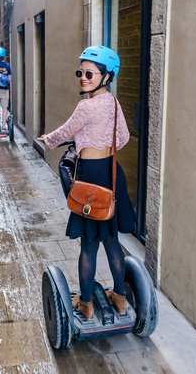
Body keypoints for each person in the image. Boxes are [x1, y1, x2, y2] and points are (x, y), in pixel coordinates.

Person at [38, 45, 136, 321]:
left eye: (90, 73)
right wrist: (102, 143)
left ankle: (87, 304)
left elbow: (65, 132)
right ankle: (119, 298)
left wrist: (50, 139)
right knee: (112, 240)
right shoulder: (113, 104)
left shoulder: (86, 105)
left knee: (89, 245)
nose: (83, 77)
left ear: (106, 76)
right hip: (112, 173)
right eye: (80, 72)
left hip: (91, 177)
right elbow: (124, 137)